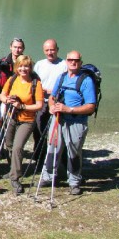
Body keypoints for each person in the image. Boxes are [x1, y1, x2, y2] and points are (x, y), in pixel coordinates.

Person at [39, 51, 96, 196]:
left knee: (74, 152)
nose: (73, 62)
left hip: (77, 122)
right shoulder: (62, 77)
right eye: (70, 60)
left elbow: (91, 106)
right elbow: (52, 97)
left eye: (76, 60)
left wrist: (69, 109)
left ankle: (74, 182)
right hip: (58, 119)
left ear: (80, 62)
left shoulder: (86, 81)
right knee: (53, 147)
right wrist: (52, 106)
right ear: (66, 61)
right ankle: (48, 177)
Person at [0, 55, 44, 194]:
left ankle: (15, 178)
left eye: (26, 66)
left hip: (27, 120)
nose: (23, 69)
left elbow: (39, 105)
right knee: (9, 144)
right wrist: (7, 100)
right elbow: (2, 94)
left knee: (18, 147)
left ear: (30, 68)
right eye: (21, 66)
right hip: (11, 117)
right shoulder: (12, 80)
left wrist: (22, 106)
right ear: (17, 67)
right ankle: (13, 169)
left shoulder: (36, 83)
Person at [33, 39, 67, 160]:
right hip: (41, 102)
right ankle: (39, 158)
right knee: (38, 130)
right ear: (43, 51)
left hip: (58, 102)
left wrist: (52, 91)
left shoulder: (64, 65)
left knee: (57, 132)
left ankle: (58, 158)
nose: (49, 52)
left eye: (52, 50)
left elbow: (68, 83)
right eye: (47, 50)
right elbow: (34, 81)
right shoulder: (39, 64)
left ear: (57, 49)